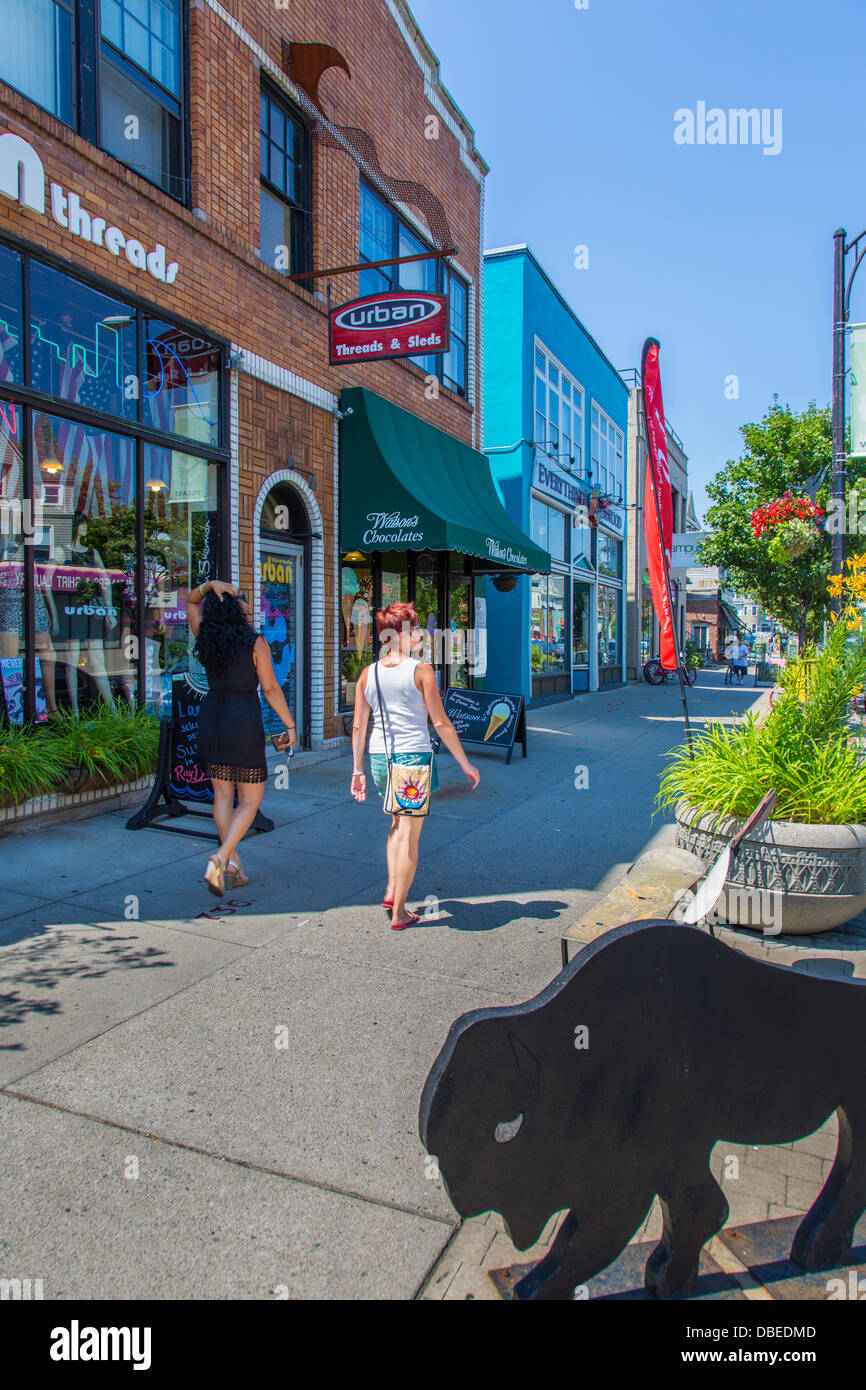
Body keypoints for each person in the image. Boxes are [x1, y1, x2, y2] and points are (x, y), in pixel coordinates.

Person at [350, 602, 480, 930]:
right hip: (412, 761)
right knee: (409, 835)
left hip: (380, 758)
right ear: (401, 634)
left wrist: (357, 770)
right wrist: (465, 762)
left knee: (397, 826)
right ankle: (400, 913)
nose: (421, 633)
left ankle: (393, 888)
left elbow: (358, 727)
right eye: (416, 628)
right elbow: (441, 723)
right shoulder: (421, 671)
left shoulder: (368, 674)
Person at [185, 579, 296, 895]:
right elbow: (272, 689)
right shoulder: (254, 642)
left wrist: (208, 586)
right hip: (243, 719)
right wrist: (289, 725)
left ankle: (234, 867)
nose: (247, 605)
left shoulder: (205, 636)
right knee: (249, 800)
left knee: (221, 796)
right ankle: (220, 857)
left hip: (211, 716)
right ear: (236, 609)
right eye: (242, 600)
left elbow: (191, 603)